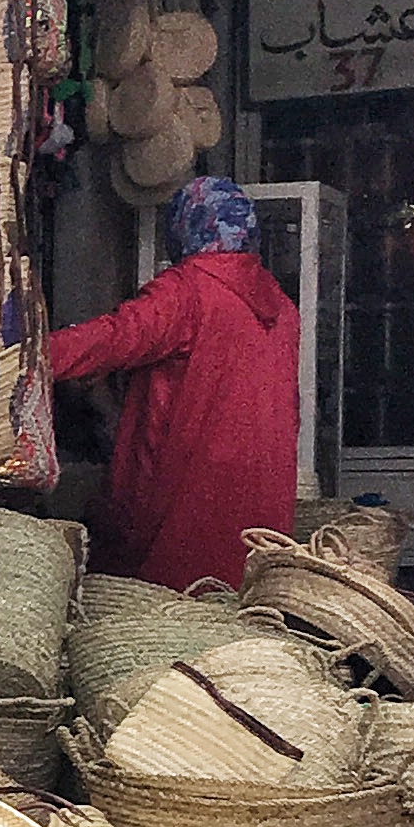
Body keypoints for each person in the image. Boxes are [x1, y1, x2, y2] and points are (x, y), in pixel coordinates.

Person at [45, 176, 302, 594]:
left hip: (188, 497)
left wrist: (31, 354)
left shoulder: (190, 293)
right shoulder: (281, 307)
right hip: (264, 506)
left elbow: (115, 337)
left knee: (162, 616)